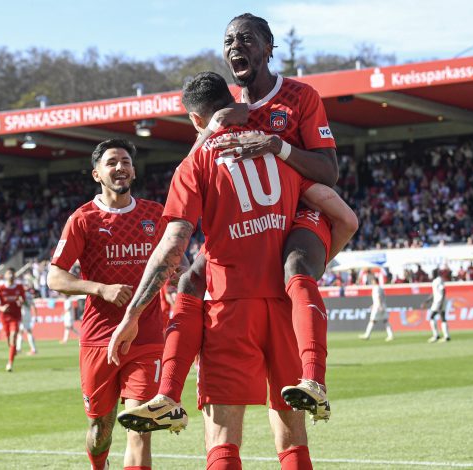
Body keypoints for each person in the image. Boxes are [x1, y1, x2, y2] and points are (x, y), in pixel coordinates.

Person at [116, 13, 358, 437]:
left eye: (246, 39)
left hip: (303, 205)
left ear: (268, 46)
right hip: (251, 242)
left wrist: (278, 146)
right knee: (192, 276)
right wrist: (208, 133)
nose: (235, 46)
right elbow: (205, 151)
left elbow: (329, 171)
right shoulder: (227, 118)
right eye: (228, 41)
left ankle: (314, 379)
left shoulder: (299, 97)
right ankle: (168, 395)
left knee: (297, 263)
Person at [47, 138, 169, 470]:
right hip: (99, 338)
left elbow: (176, 262)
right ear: (97, 174)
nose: (121, 167)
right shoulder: (83, 219)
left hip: (145, 336)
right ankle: (98, 465)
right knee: (101, 429)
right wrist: (101, 289)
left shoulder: (154, 214)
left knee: (140, 426)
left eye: (126, 161)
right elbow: (55, 277)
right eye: (112, 162)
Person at [0, 268, 26, 372]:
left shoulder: (19, 287)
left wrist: (21, 302)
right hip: (4, 317)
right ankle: (13, 349)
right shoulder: (0, 288)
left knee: (13, 335)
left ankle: (10, 363)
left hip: (15, 316)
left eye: (12, 273)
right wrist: (1, 308)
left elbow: (23, 299)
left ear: (14, 275)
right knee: (9, 340)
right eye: (8, 273)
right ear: (5, 276)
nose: (10, 275)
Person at [360, 275, 394, 341]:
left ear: (374, 281)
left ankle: (367, 335)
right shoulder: (380, 288)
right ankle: (391, 335)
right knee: (385, 320)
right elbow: (382, 297)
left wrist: (378, 305)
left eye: (372, 281)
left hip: (378, 306)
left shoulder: (376, 288)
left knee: (372, 320)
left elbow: (378, 297)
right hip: (382, 305)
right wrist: (374, 304)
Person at [426, 270, 450, 343]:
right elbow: (435, 293)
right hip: (438, 300)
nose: (431, 275)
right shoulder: (436, 281)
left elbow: (443, 290)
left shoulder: (438, 280)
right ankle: (446, 336)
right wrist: (428, 300)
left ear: (435, 273)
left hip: (439, 301)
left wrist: (441, 302)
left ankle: (436, 335)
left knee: (432, 316)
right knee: (442, 317)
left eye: (432, 273)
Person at [16, 287, 38, 355]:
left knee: (28, 331)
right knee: (21, 331)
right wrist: (35, 315)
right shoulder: (30, 295)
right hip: (28, 313)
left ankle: (33, 349)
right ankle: (18, 348)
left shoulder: (22, 295)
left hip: (23, 313)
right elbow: (33, 306)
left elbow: (20, 303)